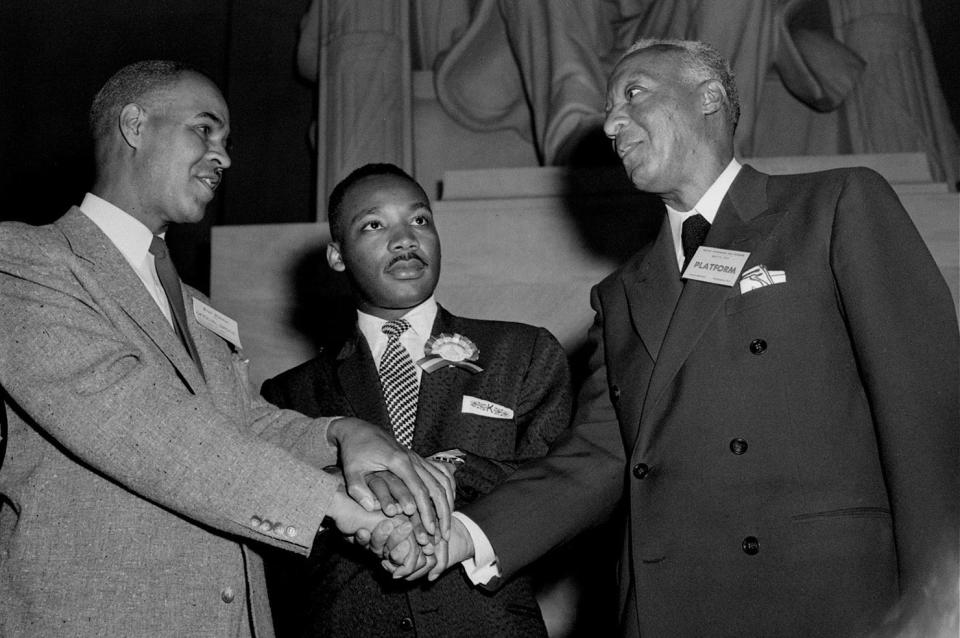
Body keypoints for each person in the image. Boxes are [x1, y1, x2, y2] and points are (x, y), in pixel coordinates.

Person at [388, 39, 959, 636]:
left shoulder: (835, 204)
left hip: (831, 600)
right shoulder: (620, 293)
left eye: (633, 94)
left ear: (709, 96)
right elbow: (598, 458)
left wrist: (942, 595)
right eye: (608, 109)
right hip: (672, 609)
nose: (610, 123)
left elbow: (927, 409)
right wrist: (461, 535)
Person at [0, 61, 451, 637]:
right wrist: (336, 505)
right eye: (205, 130)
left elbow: (241, 424)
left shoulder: (193, 303)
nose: (225, 156)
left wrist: (341, 433)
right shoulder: (24, 260)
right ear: (134, 125)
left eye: (228, 140)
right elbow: (136, 421)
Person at [260, 163, 574, 637]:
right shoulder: (288, 394)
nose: (405, 238)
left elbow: (561, 485)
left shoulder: (523, 352)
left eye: (420, 220)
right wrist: (353, 489)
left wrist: (448, 468)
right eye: (374, 225)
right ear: (337, 255)